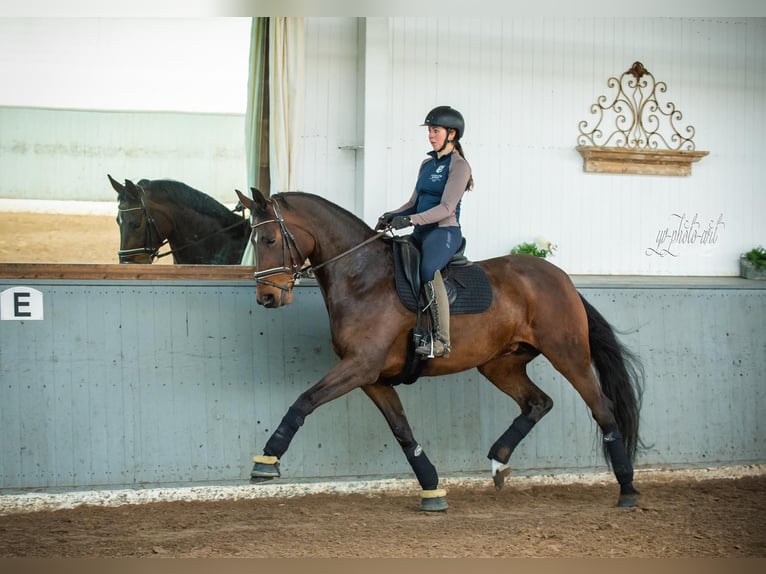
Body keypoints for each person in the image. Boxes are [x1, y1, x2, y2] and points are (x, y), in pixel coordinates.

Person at [376, 105, 474, 358]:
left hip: (444, 232)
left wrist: (409, 220)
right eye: (430, 130)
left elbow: (446, 208)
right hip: (421, 229)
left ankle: (442, 340)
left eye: (436, 130)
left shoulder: (459, 166)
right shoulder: (427, 164)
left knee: (428, 269)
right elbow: (413, 202)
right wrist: (393, 215)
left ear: (452, 134)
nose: (431, 135)